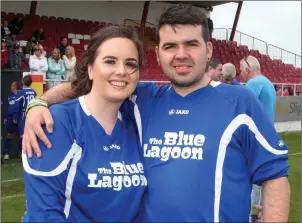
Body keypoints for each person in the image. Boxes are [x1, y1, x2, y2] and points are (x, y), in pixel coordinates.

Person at [23, 4, 290, 222]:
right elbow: (91, 82)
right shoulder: (144, 98)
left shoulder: (239, 102)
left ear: (208, 50)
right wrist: (39, 103)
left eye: (191, 44)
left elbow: (275, 177)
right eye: (170, 46)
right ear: (159, 54)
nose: (180, 54)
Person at [21, 25, 147, 222]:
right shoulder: (58, 121)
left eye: (131, 64)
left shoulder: (136, 122)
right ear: (90, 69)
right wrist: (38, 102)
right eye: (110, 61)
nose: (122, 71)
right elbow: (43, 214)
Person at [240, 56, 277, 123]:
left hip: (258, 130)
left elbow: (243, 109)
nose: (240, 74)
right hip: (268, 129)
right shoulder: (268, 82)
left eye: (241, 70)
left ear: (246, 70)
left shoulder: (253, 83)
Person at [14, 75, 37, 155]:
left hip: (23, 114)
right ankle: (30, 151)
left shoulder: (21, 92)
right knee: (31, 133)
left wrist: (15, 117)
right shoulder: (34, 92)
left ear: (23, 82)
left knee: (22, 134)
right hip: (32, 113)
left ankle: (23, 153)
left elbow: (17, 106)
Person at [3, 81, 22, 160]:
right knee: (9, 135)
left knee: (21, 136)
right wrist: (6, 117)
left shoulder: (21, 96)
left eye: (12, 85)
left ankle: (21, 153)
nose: (10, 87)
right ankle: (7, 153)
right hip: (10, 120)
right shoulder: (10, 97)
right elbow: (9, 109)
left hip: (19, 119)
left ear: (14, 87)